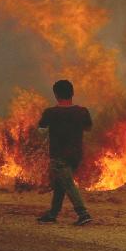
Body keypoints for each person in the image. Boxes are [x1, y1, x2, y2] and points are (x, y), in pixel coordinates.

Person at [36, 79, 93, 226]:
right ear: (72, 93)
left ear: (56, 94)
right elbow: (88, 128)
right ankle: (53, 214)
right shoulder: (82, 111)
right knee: (60, 183)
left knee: (67, 183)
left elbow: (41, 131)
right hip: (76, 154)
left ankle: (83, 213)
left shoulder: (50, 112)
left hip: (59, 154)